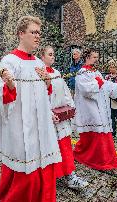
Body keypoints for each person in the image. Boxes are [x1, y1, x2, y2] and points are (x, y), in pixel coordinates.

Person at [0, 16, 61, 202]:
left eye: (39, 33)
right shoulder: (9, 61)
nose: (37, 36)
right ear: (21, 34)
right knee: (25, 174)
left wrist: (48, 83)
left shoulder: (40, 64)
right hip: (21, 126)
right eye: (33, 32)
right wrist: (8, 85)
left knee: (44, 169)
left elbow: (45, 94)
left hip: (42, 127)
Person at [41, 46, 88, 189]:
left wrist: (71, 107)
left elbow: (65, 91)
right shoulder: (37, 74)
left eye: (53, 54)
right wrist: (48, 113)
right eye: (50, 54)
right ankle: (49, 177)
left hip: (61, 118)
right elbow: (38, 98)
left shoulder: (57, 72)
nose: (53, 56)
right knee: (49, 148)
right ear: (42, 57)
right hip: (47, 119)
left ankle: (70, 176)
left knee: (65, 146)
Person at [72, 48, 117, 171]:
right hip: (90, 109)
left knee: (101, 135)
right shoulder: (82, 72)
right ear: (87, 57)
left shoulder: (96, 72)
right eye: (94, 57)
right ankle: (94, 159)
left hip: (100, 107)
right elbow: (85, 90)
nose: (97, 59)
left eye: (97, 57)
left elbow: (105, 85)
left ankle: (102, 160)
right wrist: (98, 84)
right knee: (93, 137)